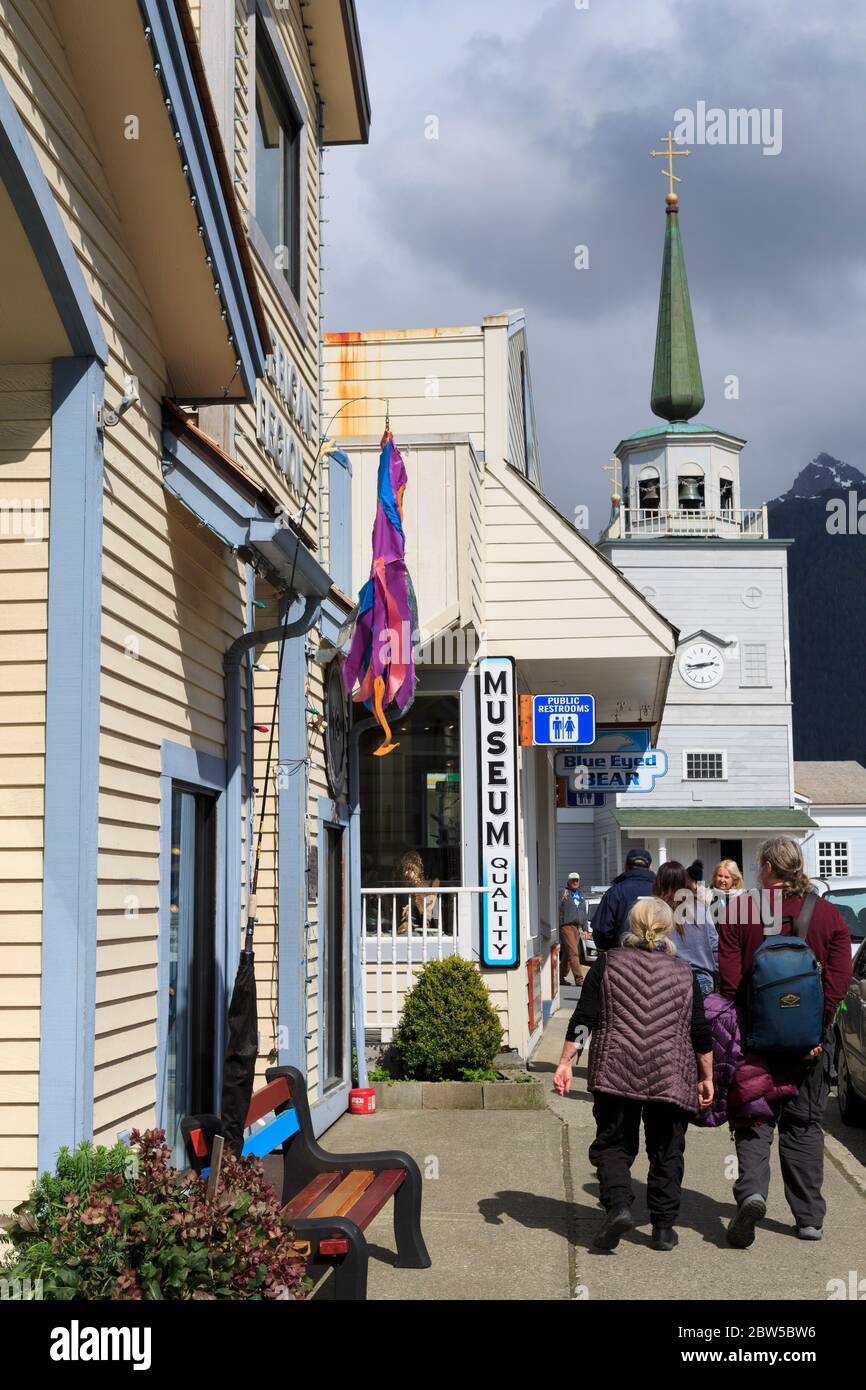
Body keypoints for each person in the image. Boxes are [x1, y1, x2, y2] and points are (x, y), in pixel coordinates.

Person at [554, 898, 713, 1251]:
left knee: (613, 1144)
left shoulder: (608, 964)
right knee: (667, 1149)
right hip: (669, 1072)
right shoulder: (684, 972)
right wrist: (707, 1076)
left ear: (631, 925)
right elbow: (699, 1032)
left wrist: (567, 1061)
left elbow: (585, 1018)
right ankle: (663, 1228)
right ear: (668, 929)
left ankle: (619, 1207)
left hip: (616, 1070)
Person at [718, 836, 852, 1247]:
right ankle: (809, 1218)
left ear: (768, 868)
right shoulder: (829, 915)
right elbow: (839, 980)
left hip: (755, 1042)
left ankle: (753, 1194)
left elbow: (728, 983)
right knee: (804, 1125)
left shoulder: (739, 910)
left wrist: (749, 1029)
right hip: (809, 1046)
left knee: (754, 1121)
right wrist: (816, 1029)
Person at [654, 861, 719, 997]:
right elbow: (714, 945)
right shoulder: (701, 908)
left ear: (659, 883)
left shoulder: (656, 912)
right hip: (703, 979)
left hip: (669, 980)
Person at [590, 848, 655, 951]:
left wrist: (610, 952)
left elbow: (601, 932)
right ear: (650, 868)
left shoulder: (615, 892)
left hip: (623, 960)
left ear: (626, 866)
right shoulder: (661, 891)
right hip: (658, 960)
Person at [559, 871, 589, 987]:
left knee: (568, 954)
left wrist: (586, 929)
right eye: (573, 880)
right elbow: (556, 908)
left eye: (577, 880)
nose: (575, 882)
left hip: (576, 928)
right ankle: (579, 979)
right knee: (574, 953)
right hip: (566, 926)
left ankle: (560, 978)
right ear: (568, 881)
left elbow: (584, 915)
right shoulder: (563, 892)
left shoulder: (580, 896)